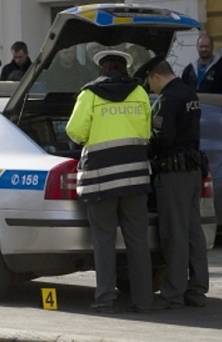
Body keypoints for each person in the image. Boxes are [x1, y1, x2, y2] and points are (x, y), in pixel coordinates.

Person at [66, 50, 153, 313]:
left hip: (101, 180)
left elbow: (75, 131)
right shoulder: (140, 93)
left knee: (103, 241)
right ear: (124, 68)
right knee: (138, 240)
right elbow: (147, 132)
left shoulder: (89, 94)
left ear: (102, 69)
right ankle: (144, 300)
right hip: (135, 178)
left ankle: (105, 299)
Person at [145, 58, 209, 309]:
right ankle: (197, 289)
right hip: (193, 171)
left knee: (175, 233)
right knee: (194, 232)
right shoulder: (189, 92)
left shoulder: (169, 99)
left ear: (155, 76)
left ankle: (173, 293)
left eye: (150, 83)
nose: (151, 89)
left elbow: (164, 138)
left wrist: (146, 147)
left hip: (173, 173)